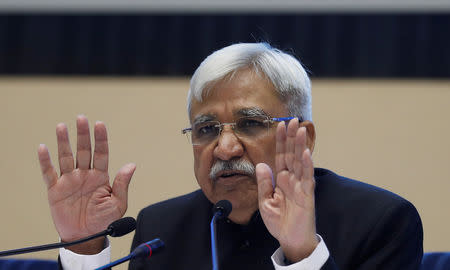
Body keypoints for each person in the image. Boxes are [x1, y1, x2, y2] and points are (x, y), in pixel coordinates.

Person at [38, 43, 423, 270]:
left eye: (250, 123)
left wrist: (302, 252)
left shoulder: (381, 222)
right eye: (206, 130)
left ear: (303, 138)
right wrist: (82, 247)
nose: (224, 148)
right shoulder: (162, 228)